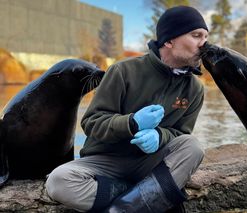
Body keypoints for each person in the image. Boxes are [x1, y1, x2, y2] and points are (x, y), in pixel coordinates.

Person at [45, 5, 208, 213]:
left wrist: (160, 136)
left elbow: (181, 134)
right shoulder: (123, 71)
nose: (204, 43)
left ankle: (121, 209)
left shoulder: (194, 89)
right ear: (169, 40)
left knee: (193, 146)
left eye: (205, 36)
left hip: (150, 163)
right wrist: (131, 123)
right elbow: (91, 123)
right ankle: (149, 196)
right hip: (105, 160)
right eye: (196, 35)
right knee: (58, 181)